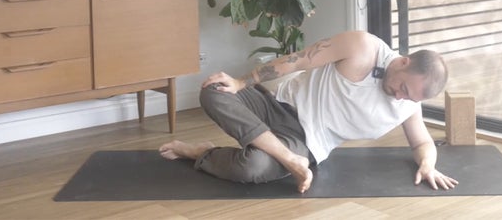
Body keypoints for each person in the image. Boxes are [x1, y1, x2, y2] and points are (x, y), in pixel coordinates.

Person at [159, 30, 458, 193]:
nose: (401, 97)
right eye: (404, 88)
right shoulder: (363, 47)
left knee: (251, 169)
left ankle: (202, 152)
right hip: (277, 107)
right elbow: (299, 60)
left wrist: (428, 164)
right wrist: (240, 82)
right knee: (215, 91)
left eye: (411, 98)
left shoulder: (408, 103)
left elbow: (422, 143)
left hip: (306, 143)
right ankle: (286, 159)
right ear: (404, 62)